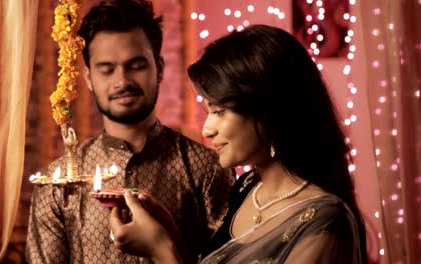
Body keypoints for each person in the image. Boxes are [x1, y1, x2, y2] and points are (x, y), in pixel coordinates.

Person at [109, 24, 368, 263]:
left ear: (267, 112)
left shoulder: (324, 221)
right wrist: (170, 235)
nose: (207, 130)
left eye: (219, 111)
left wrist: (161, 251)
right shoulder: (247, 188)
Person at [25, 0, 235, 263]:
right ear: (89, 78)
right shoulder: (55, 188)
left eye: (136, 66)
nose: (122, 81)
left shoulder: (206, 169)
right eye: (107, 69)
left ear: (159, 68)